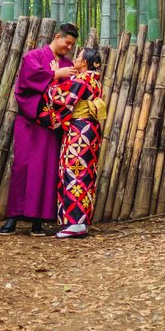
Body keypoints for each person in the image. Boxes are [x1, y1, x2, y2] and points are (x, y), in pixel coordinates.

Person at [0, 22, 78, 236]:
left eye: (72, 45)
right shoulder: (33, 57)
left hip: (52, 127)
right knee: (21, 167)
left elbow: (71, 95)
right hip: (30, 123)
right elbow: (26, 82)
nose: (69, 48)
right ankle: (12, 219)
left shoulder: (69, 63)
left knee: (47, 170)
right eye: (67, 43)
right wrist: (56, 75)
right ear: (57, 36)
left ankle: (37, 222)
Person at [40, 46, 107, 238]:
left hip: (80, 130)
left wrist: (53, 76)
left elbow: (56, 97)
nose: (74, 60)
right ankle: (80, 222)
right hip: (90, 129)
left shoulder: (82, 79)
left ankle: (75, 223)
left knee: (74, 172)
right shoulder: (94, 80)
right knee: (85, 173)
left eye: (77, 57)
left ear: (84, 62)